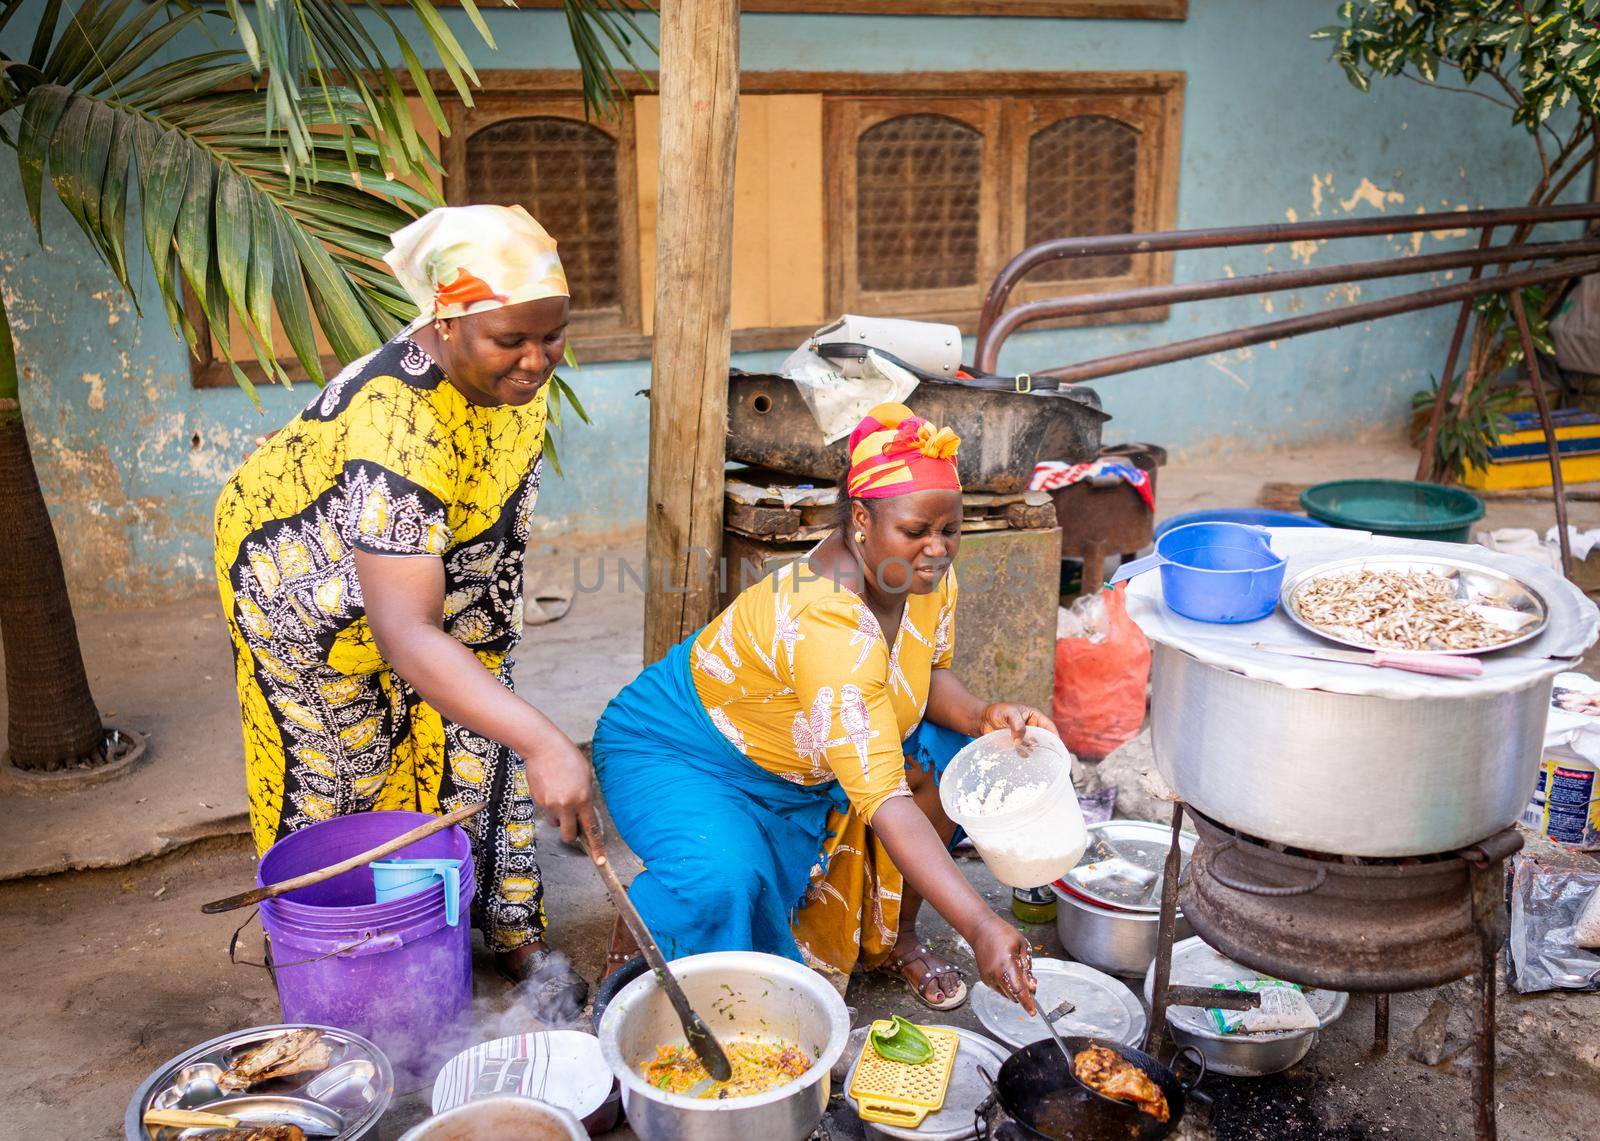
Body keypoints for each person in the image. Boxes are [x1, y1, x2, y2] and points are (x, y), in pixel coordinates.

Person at [213, 205, 597, 1008]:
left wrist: (512, 714)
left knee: (481, 741)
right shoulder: (395, 420)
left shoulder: (511, 380)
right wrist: (549, 739)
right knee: (343, 771)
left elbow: (480, 508)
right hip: (301, 588)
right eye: (512, 341)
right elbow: (404, 631)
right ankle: (338, 956)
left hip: (445, 569)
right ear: (448, 321)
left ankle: (510, 924)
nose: (536, 361)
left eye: (552, 335)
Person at [592, 403, 1048, 1012]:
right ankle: (646, 936)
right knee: (722, 878)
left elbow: (926, 672)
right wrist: (981, 925)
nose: (938, 550)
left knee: (954, 757)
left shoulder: (920, 575)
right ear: (862, 518)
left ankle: (899, 937)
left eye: (950, 531)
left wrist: (981, 715)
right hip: (682, 752)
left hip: (812, 751)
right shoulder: (826, 616)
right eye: (917, 532)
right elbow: (883, 796)